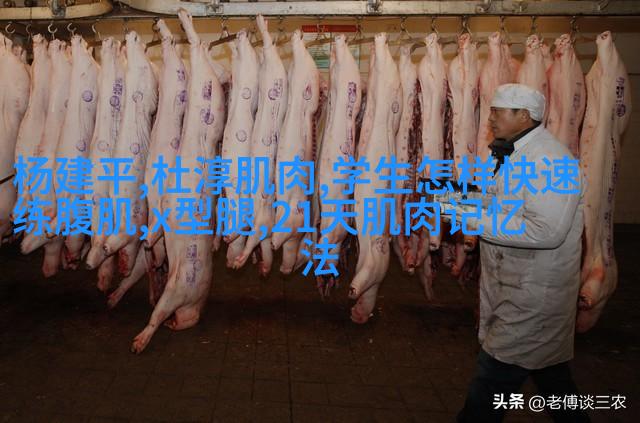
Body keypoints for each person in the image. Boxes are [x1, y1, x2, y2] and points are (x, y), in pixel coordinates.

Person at [452, 84, 590, 422]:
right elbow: (501, 202)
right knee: (551, 378)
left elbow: (546, 231)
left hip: (535, 294)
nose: (491, 118)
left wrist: (473, 220)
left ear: (524, 116)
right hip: (514, 286)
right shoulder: (509, 154)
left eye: (498, 112)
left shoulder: (551, 161)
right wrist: (460, 200)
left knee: (492, 379)